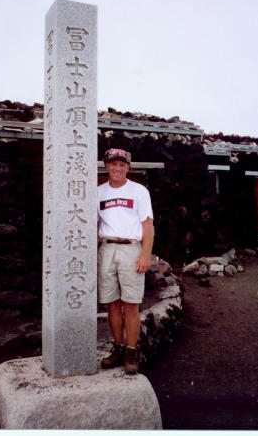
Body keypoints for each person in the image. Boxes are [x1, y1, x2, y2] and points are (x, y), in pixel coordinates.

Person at [97, 148, 154, 374]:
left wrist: (145, 255)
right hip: (107, 248)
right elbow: (92, 224)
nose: (117, 168)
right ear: (107, 166)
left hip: (131, 249)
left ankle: (131, 350)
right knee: (111, 303)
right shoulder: (98, 192)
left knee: (131, 303)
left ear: (128, 167)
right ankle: (118, 348)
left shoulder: (139, 191)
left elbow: (147, 226)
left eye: (122, 165)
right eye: (113, 164)